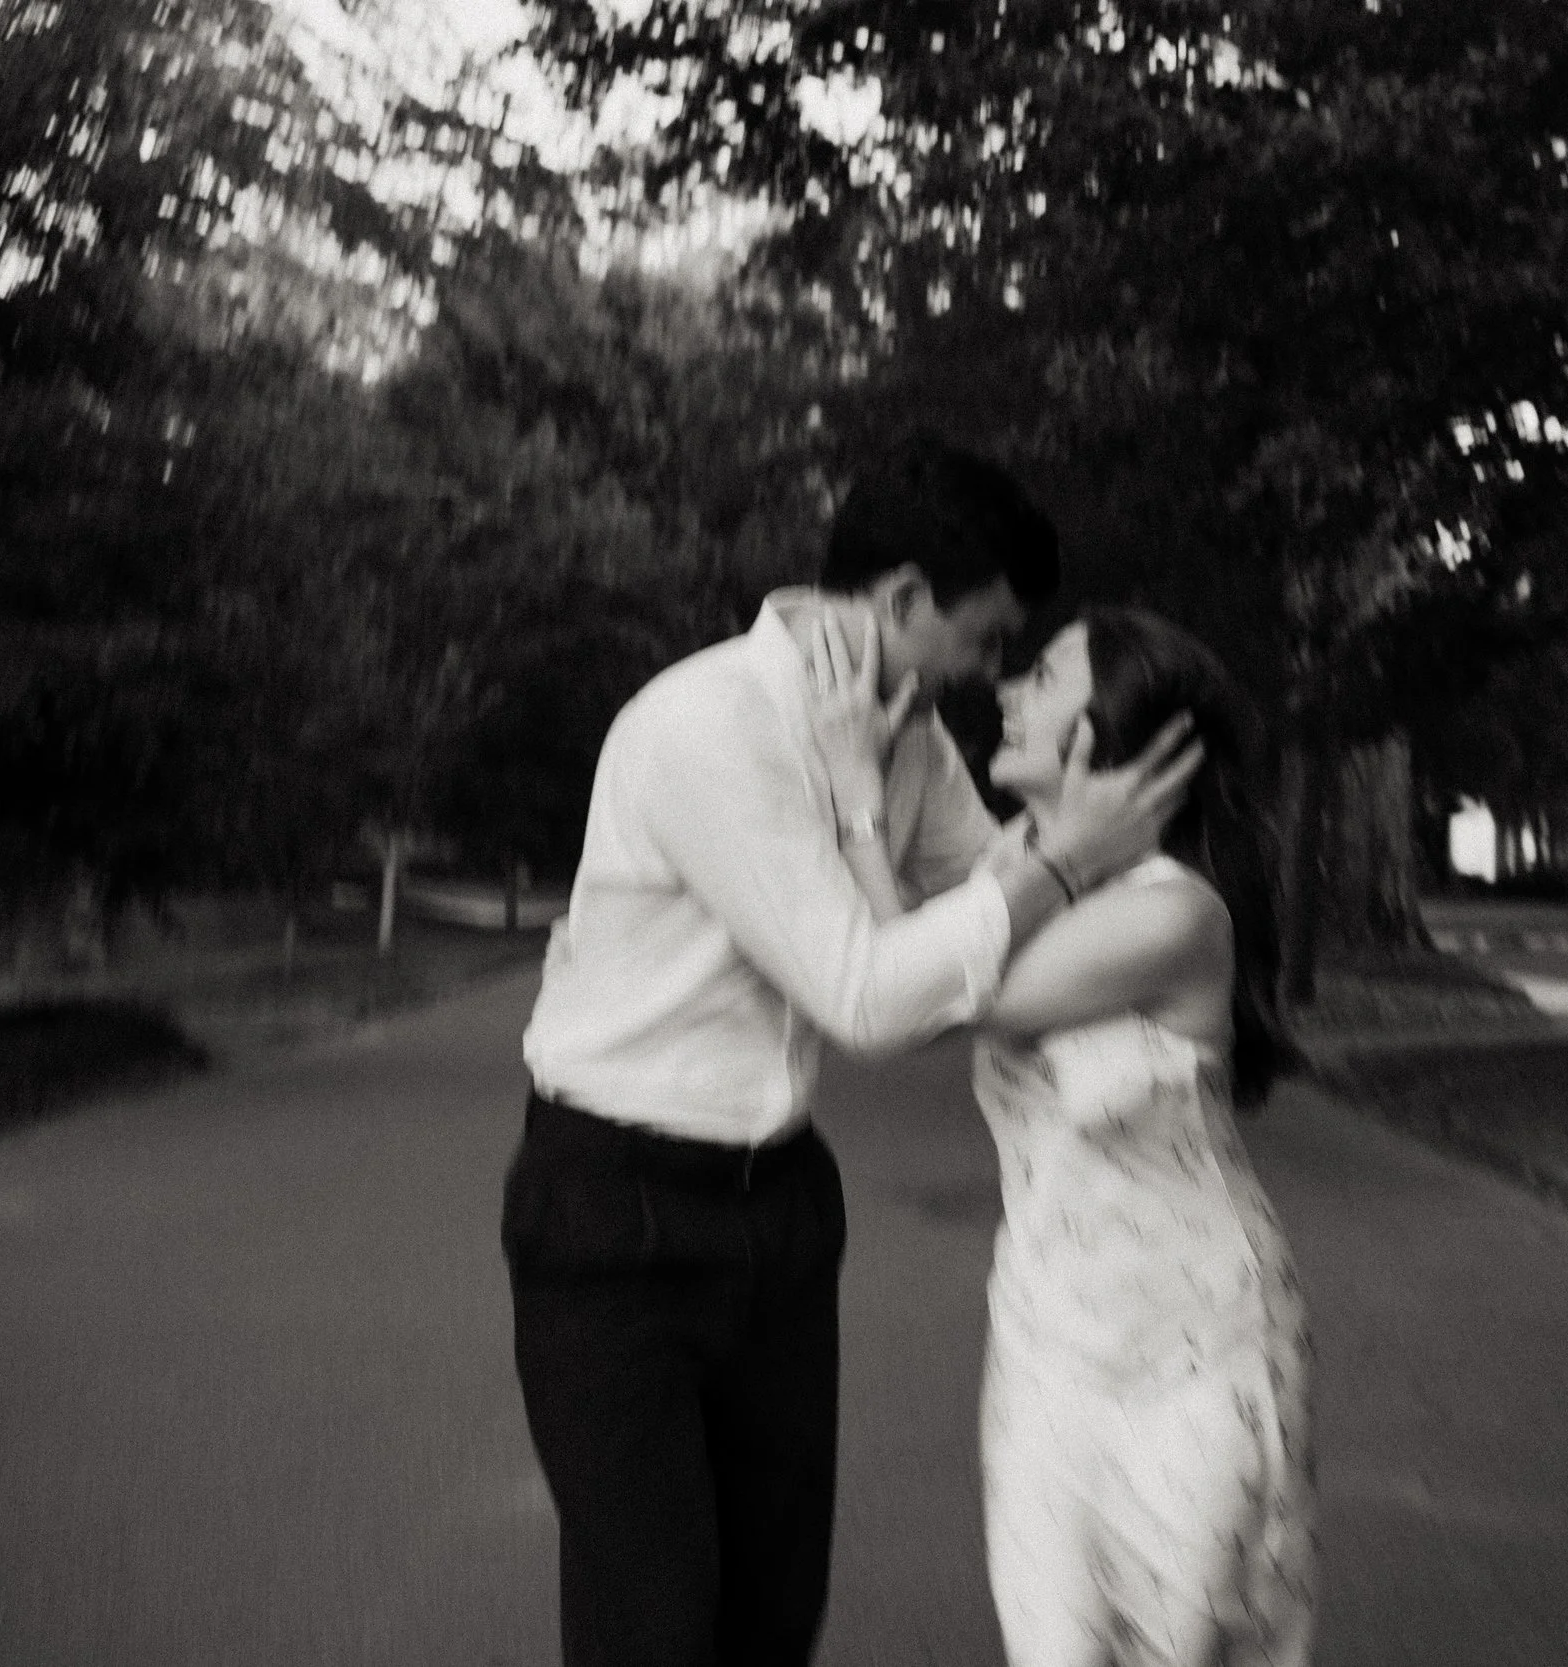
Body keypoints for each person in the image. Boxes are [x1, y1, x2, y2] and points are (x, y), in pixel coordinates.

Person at [502, 435, 1200, 1667]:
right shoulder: (705, 724)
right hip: (615, 1218)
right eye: (984, 640)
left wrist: (1147, 897)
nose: (989, 676)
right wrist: (1055, 862)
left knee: (773, 1618)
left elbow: (976, 910)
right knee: (653, 1628)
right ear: (902, 600)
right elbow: (875, 996)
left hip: (778, 1209)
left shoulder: (908, 733)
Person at [815, 604, 1316, 1667]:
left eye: (1041, 676)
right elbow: (930, 933)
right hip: (1046, 1334)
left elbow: (928, 989)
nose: (1006, 690)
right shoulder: (1029, 866)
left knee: (1177, 1647)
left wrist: (859, 800)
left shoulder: (1176, 915)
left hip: (1192, 1346)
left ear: (1113, 736)